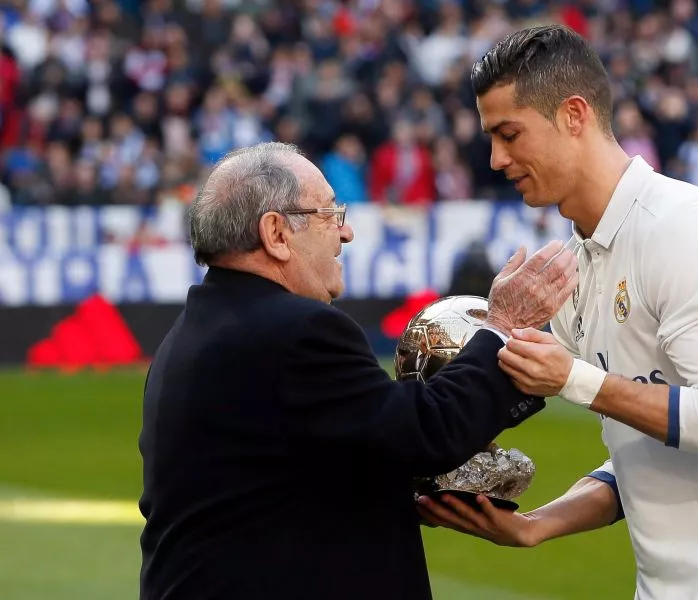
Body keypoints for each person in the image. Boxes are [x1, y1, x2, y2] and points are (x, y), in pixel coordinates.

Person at [417, 25, 698, 600]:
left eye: (509, 134)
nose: (495, 159)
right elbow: (642, 450)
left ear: (573, 115)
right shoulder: (577, 263)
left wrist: (574, 378)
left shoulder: (683, 229)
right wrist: (538, 525)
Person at [138, 141, 578, 599]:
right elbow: (426, 433)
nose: (345, 234)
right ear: (276, 234)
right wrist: (504, 327)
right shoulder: (298, 331)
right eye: (331, 214)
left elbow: (298, 475)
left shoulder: (188, 336)